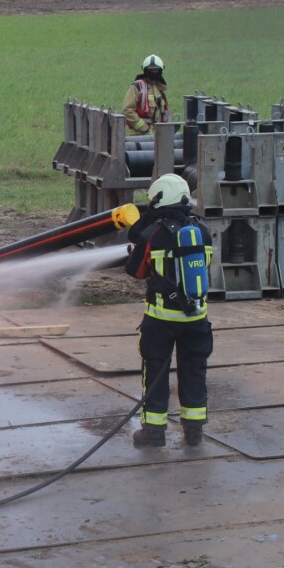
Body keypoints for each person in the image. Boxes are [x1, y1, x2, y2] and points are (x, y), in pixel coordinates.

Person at [124, 173, 213, 448]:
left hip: (161, 320)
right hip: (197, 318)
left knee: (156, 373)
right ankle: (194, 429)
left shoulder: (154, 234)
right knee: (194, 372)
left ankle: (153, 431)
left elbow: (135, 271)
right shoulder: (203, 231)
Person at [123, 54, 169, 133]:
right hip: (138, 135)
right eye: (150, 70)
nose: (153, 72)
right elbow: (127, 111)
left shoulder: (160, 89)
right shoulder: (137, 86)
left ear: (161, 70)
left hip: (157, 134)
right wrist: (145, 128)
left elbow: (164, 111)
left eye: (156, 70)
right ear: (145, 70)